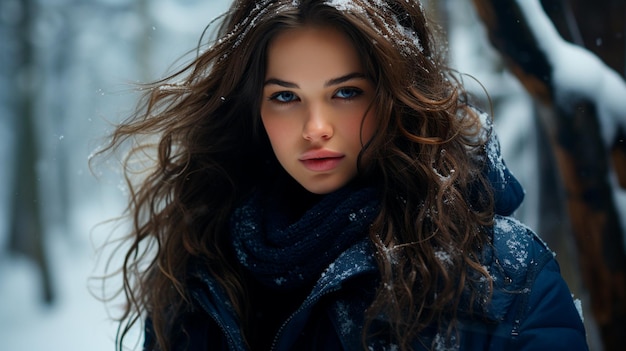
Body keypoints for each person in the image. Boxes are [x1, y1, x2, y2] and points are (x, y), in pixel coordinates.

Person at [100, 0, 588, 350]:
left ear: (395, 96)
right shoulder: (200, 270)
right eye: (285, 97)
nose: (316, 129)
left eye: (346, 92)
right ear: (253, 110)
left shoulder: (504, 273)